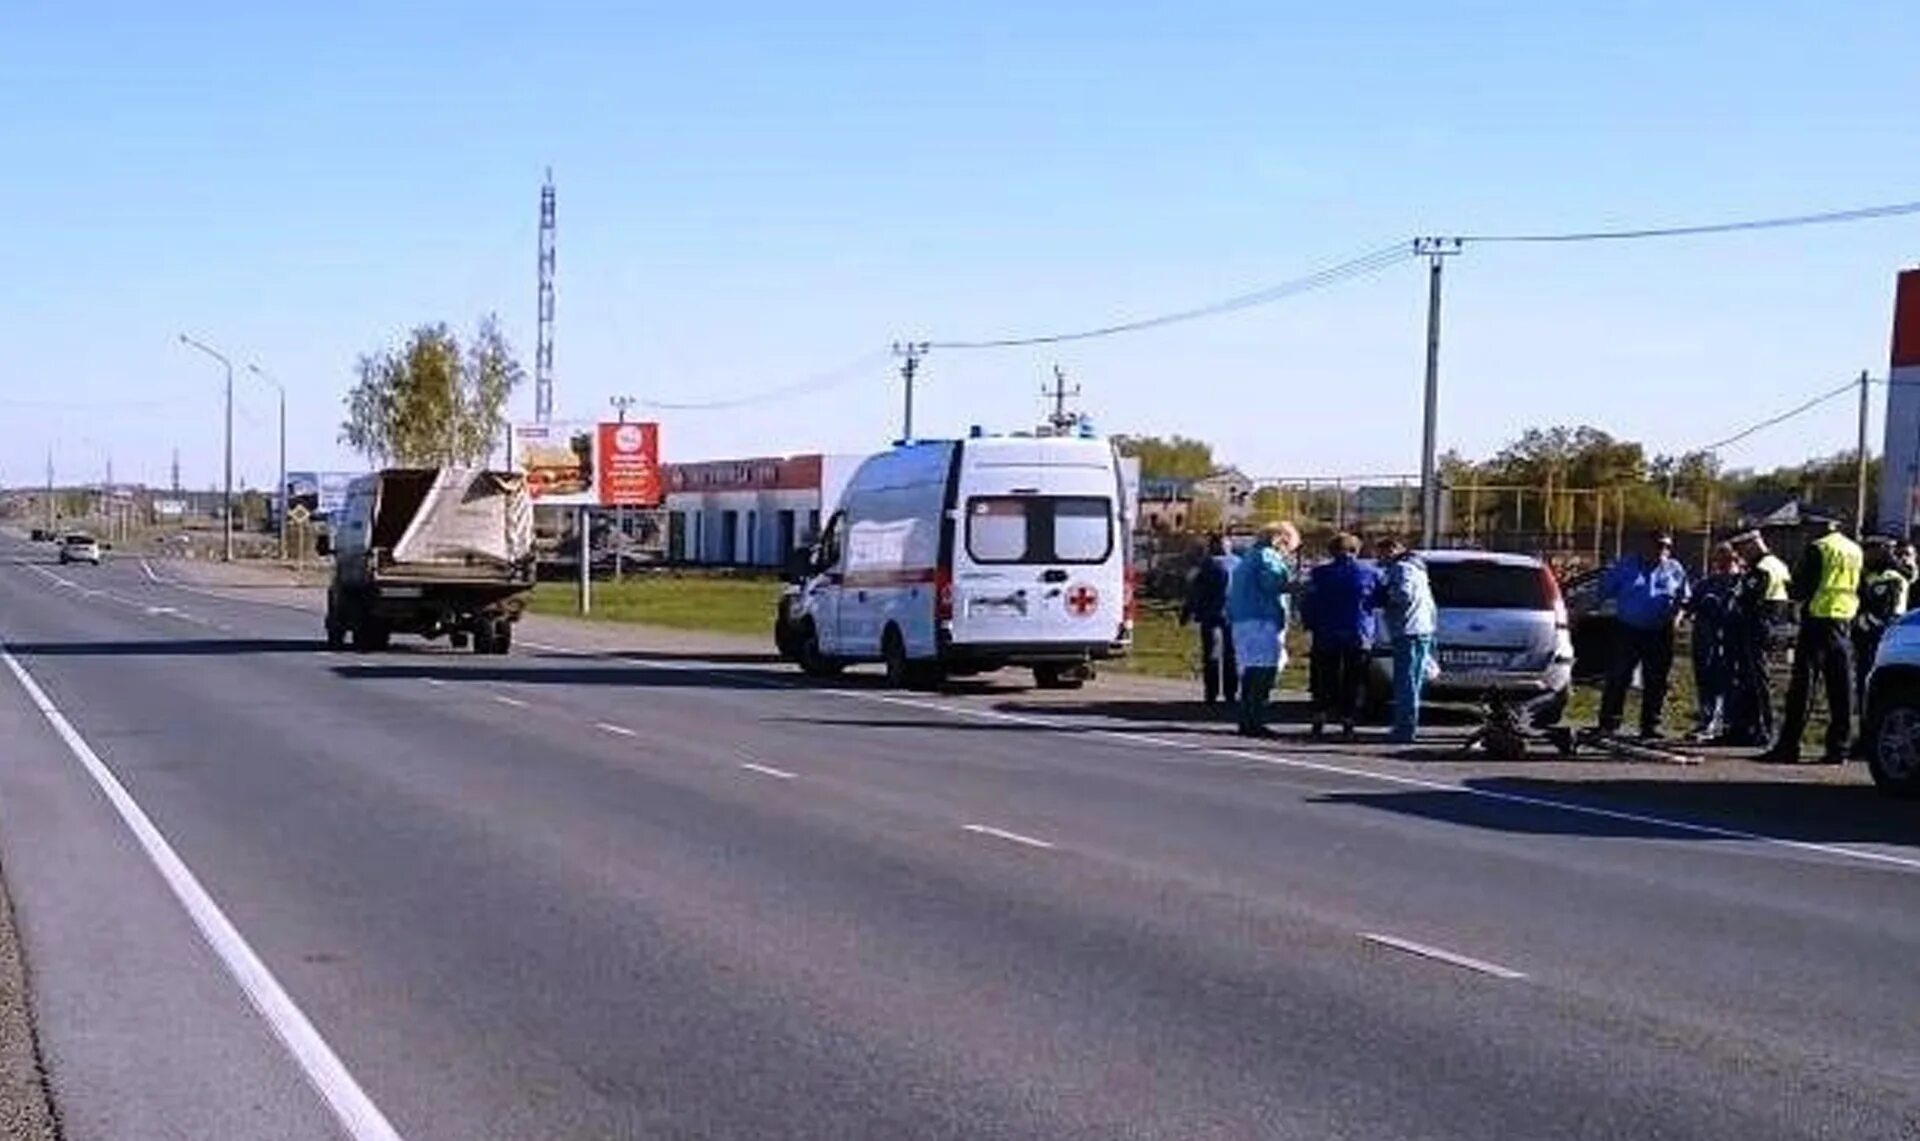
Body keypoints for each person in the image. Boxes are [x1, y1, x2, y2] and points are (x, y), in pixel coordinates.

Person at [1762, 514, 1863, 764]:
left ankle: (1788, 746)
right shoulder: (1854, 549)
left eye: (1808, 529)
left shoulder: (1819, 549)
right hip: (1844, 622)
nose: (1806, 534)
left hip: (1817, 620)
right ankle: (1839, 749)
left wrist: (1789, 584)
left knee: (1803, 687)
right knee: (1841, 689)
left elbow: (1801, 588)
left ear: (1819, 528)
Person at [1594, 529, 1691, 740]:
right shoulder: (1626, 565)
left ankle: (1650, 726)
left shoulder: (1674, 569)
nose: (1662, 551)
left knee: (1656, 680)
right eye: (1658, 546)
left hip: (1660, 631)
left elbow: (1683, 599)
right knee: (1619, 676)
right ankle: (1608, 724)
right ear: (1645, 546)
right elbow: (1602, 591)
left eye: (1666, 547)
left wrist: (1676, 619)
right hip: (1628, 629)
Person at [1302, 532, 1382, 739]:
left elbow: (1308, 601)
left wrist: (1309, 624)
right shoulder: (1370, 573)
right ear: (1356, 551)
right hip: (1358, 631)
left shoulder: (1319, 573)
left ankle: (1320, 714)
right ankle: (1348, 719)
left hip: (1326, 631)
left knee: (1324, 676)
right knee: (1353, 678)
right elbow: (1380, 599)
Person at [1226, 521, 1300, 738]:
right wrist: (1299, 586)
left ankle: (1247, 716)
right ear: (1281, 540)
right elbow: (1271, 583)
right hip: (1261, 619)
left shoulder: (1248, 557)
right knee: (1264, 669)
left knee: (1251, 669)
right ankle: (1254, 717)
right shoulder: (1267, 556)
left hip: (1243, 619)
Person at [1725, 529, 1794, 747]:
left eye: (1742, 549)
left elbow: (1748, 599)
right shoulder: (1779, 565)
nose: (1741, 555)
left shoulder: (1762, 569)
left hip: (1758, 626)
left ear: (1752, 544)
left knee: (1756, 681)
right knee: (1751, 679)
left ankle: (1763, 730)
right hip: (1774, 625)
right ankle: (1746, 728)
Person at [1372, 536, 1436, 745]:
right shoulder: (1419, 568)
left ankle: (1404, 728)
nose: (1378, 558)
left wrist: (1382, 596)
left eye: (1380, 553)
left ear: (1391, 550)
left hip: (1407, 630)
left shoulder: (1401, 568)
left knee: (1405, 682)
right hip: (1421, 628)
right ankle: (1406, 725)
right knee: (1413, 681)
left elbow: (1403, 595)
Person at [1686, 542, 1744, 742]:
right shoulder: (1706, 584)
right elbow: (1691, 607)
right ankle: (1707, 720)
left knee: (1728, 682)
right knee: (1706, 681)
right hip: (1705, 639)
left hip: (1730, 641)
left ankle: (1727, 723)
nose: (1724, 564)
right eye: (1720, 560)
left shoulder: (1742, 583)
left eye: (1728, 560)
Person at [1178, 534, 1239, 706]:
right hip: (1233, 615)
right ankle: (1230, 693)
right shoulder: (1239, 564)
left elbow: (1195, 592)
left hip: (1211, 614)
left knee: (1212, 655)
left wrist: (1186, 612)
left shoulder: (1208, 565)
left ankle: (1211, 693)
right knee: (1231, 655)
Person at [1852, 536, 1910, 706]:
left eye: (1870, 552)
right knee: (1865, 671)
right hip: (1874, 630)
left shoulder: (1890, 576)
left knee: (1872, 671)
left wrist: (1864, 621)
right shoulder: (1872, 574)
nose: (1865, 556)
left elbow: (1884, 609)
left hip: (1882, 629)